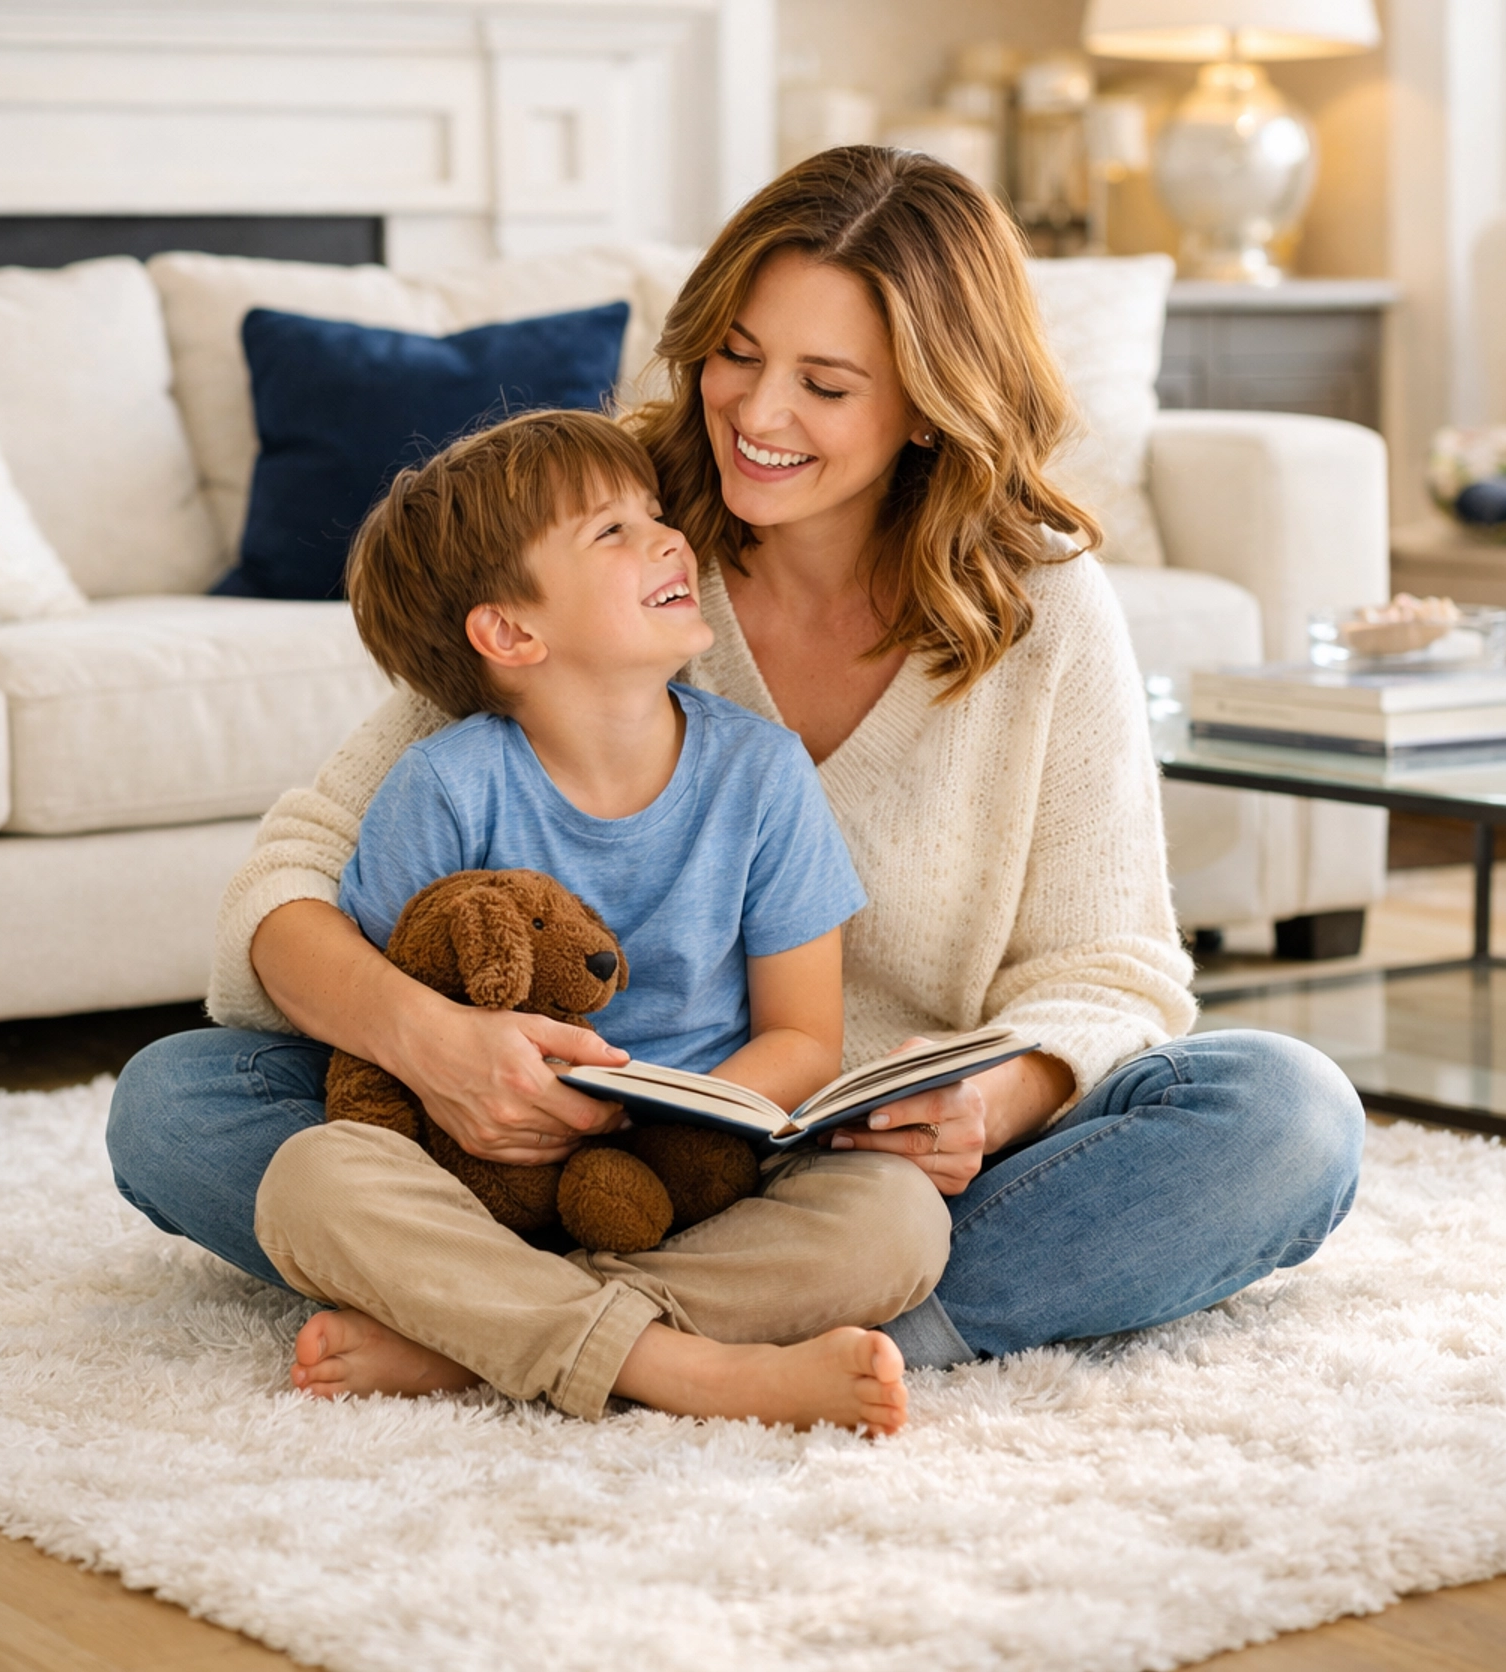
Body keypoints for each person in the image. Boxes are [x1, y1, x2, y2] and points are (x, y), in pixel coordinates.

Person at [109, 145, 1364, 1401]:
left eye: (824, 384)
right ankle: (689, 1351)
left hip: (863, 1166)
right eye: (738, 355)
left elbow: (1112, 967)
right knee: (179, 1100)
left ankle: (489, 1330)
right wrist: (433, 1045)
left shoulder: (1036, 606)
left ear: (928, 402)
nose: (758, 417)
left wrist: (1005, 1091)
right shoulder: (623, 534)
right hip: (532, 1152)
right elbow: (295, 874)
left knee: (1284, 1119)